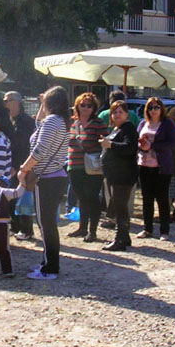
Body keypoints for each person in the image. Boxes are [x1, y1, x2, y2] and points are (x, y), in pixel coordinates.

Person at [17, 86, 70, 281]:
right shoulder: (60, 121)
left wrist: (24, 169)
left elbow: (39, 151)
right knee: (47, 223)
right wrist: (42, 103)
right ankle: (47, 262)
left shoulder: (52, 122)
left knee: (45, 224)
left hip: (48, 179)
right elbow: (38, 124)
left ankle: (50, 268)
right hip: (56, 177)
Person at [67, 92, 108, 242]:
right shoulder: (71, 123)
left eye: (89, 105)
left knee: (92, 198)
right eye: (82, 105)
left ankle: (93, 231)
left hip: (92, 168)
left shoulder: (98, 123)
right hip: (74, 166)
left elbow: (105, 142)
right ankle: (82, 227)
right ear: (77, 106)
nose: (85, 108)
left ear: (94, 108)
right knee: (81, 198)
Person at [99, 100, 138, 251]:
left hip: (123, 175)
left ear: (127, 114)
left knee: (120, 208)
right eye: (114, 112)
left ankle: (119, 239)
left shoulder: (128, 128)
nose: (117, 114)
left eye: (120, 112)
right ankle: (125, 237)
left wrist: (111, 145)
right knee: (117, 206)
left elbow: (130, 148)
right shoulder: (116, 128)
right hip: (114, 175)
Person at [137, 97, 175, 241]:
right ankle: (147, 229)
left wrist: (153, 146)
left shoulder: (167, 124)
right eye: (150, 108)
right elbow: (136, 140)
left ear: (161, 109)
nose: (153, 110)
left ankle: (164, 231)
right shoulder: (143, 123)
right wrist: (142, 145)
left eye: (156, 107)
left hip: (161, 167)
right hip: (144, 164)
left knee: (162, 199)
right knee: (146, 198)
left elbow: (172, 144)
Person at [3, 91, 36, 240]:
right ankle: (15, 226)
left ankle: (26, 229)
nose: (5, 104)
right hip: (11, 165)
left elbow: (26, 146)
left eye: (7, 101)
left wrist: (21, 166)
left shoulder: (27, 121)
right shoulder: (9, 120)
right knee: (12, 197)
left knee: (24, 197)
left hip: (24, 165)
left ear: (17, 102)